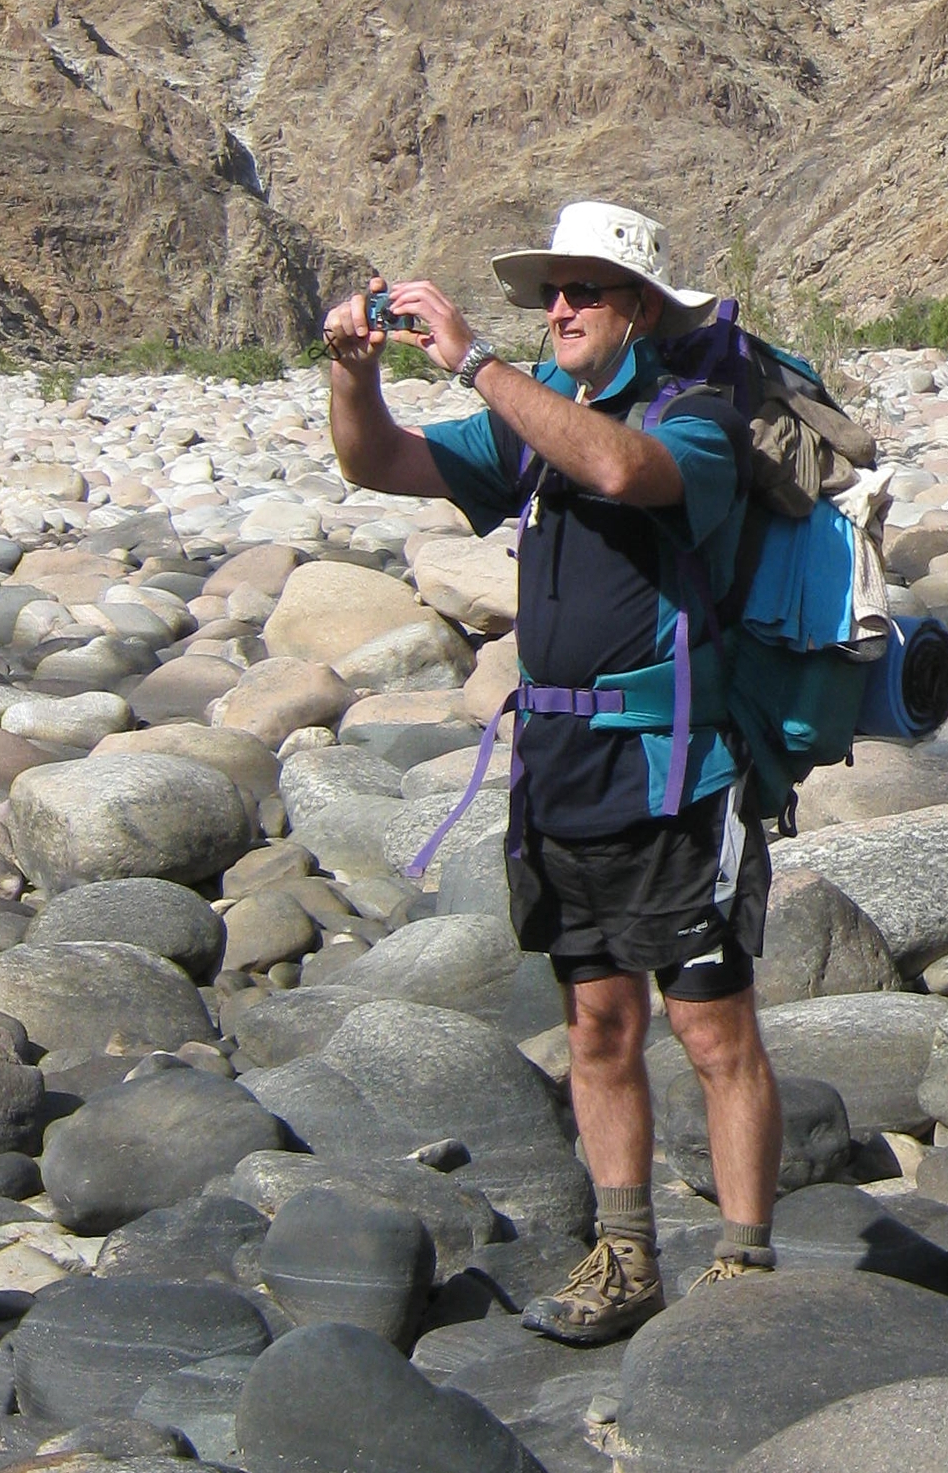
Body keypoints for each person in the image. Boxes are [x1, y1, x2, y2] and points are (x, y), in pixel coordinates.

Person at [319, 198, 793, 1349]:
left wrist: (476, 362)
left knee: (711, 1031)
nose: (563, 308)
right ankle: (625, 1252)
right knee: (594, 1025)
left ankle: (743, 1263)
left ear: (637, 307)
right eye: (551, 293)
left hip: (675, 771)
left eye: (586, 291)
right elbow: (378, 462)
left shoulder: (696, 419)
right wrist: (350, 374)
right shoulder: (530, 424)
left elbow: (622, 471)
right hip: (561, 770)